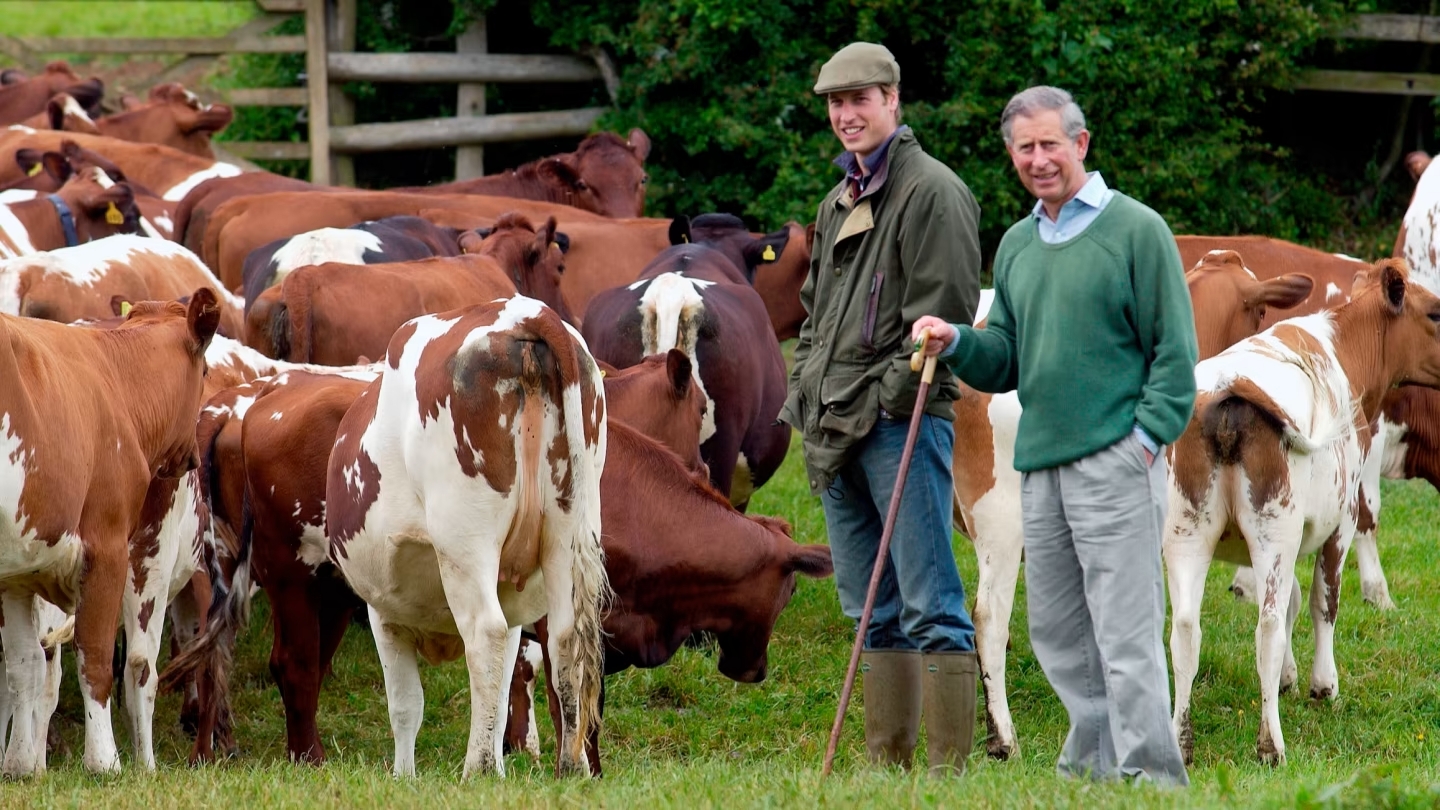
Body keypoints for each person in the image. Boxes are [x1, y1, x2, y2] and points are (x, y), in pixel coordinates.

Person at [911, 85, 1195, 786]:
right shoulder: (1017, 245)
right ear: (1011, 154)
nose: (1039, 160)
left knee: (1126, 634)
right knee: (1062, 634)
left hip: (1116, 461)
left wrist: (1144, 442)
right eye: (1024, 148)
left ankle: (1151, 779)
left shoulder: (1137, 231)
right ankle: (1093, 765)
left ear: (1081, 144)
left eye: (1050, 144)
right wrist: (955, 343)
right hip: (1039, 466)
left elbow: (1174, 354)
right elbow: (1005, 356)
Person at [778, 41, 982, 776]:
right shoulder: (839, 199)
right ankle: (887, 768)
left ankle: (946, 777)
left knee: (931, 603)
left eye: (860, 99)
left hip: (900, 422)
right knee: (870, 608)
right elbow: (814, 314)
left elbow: (945, 314)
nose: (846, 114)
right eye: (835, 103)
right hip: (833, 426)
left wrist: (893, 401)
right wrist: (806, 391)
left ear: (893, 100)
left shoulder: (934, 192)